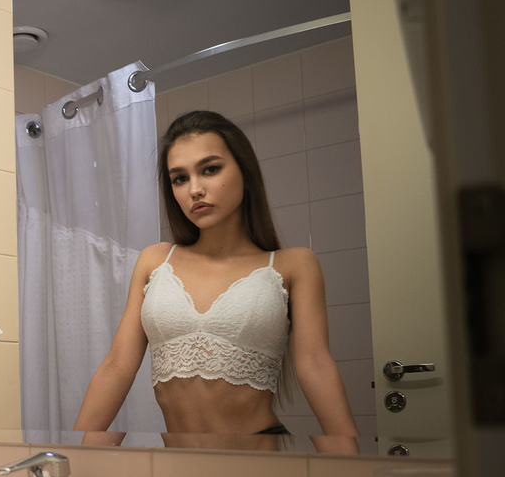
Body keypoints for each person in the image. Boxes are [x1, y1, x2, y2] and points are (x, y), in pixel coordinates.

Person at [73, 110, 360, 454]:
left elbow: (315, 365)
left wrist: (352, 467)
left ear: (245, 172)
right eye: (179, 178)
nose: (195, 189)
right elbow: (117, 366)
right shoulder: (155, 261)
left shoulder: (293, 265)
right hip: (177, 463)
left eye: (210, 169)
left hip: (259, 459)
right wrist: (65, 457)